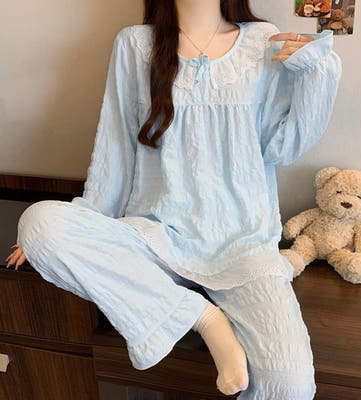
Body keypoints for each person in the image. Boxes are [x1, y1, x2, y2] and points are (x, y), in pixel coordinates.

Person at [6, 0, 342, 398]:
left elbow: (280, 149)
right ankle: (203, 318)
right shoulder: (135, 45)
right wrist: (73, 233)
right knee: (38, 223)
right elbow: (116, 149)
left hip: (242, 246)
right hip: (156, 238)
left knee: (290, 384)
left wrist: (317, 73)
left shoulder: (262, 41)